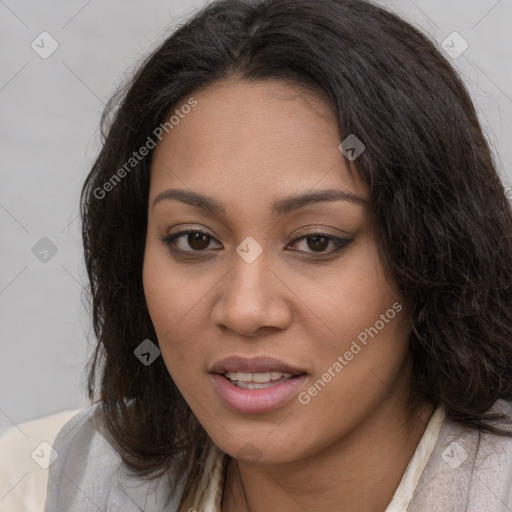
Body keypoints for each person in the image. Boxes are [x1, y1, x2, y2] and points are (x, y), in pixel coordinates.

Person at [2, 0, 512, 510]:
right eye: (195, 240)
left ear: (436, 257)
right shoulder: (42, 481)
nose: (244, 311)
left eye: (317, 241)